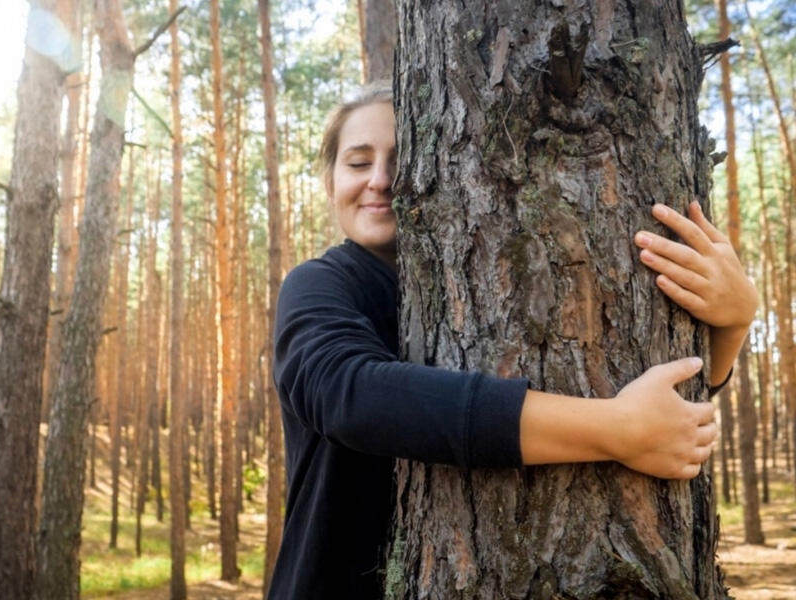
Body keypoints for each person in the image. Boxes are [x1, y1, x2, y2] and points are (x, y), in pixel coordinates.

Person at [267, 82, 758, 599]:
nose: (381, 180)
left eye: (401, 157)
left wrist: (733, 322)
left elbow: (669, 414)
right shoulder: (321, 284)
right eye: (358, 162)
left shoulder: (467, 279)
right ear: (329, 181)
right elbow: (348, 394)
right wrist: (614, 429)